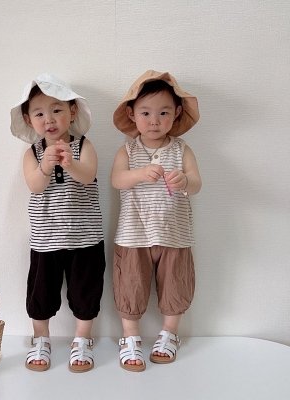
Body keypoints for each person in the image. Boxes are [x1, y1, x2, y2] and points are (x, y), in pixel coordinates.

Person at [10, 73, 105, 372]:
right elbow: (35, 186)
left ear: (72, 112)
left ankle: (82, 338)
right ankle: (41, 338)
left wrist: (70, 162)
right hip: (46, 238)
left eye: (56, 110)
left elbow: (88, 176)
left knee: (86, 288)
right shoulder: (32, 153)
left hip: (85, 238)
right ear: (29, 120)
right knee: (41, 290)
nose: (49, 119)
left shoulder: (83, 146)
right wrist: (45, 166)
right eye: (39, 114)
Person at [111, 70, 202, 372]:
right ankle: (130, 335)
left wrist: (185, 179)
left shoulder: (181, 149)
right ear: (132, 114)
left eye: (163, 113)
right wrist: (138, 174)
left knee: (175, 283)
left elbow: (197, 183)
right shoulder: (127, 150)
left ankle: (169, 333)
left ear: (176, 113)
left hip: (174, 233)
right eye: (146, 113)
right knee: (130, 284)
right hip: (133, 233)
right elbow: (117, 180)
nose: (154, 121)